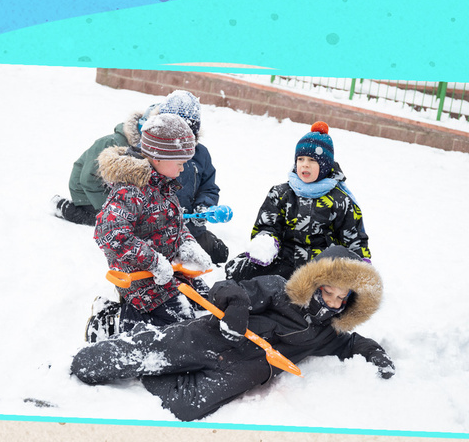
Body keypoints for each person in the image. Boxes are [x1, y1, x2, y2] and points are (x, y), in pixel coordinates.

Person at [70, 244, 393, 420]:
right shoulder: (280, 289)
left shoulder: (329, 333)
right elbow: (228, 288)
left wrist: (376, 355)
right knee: (91, 365)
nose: (333, 303)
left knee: (184, 408)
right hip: (213, 338)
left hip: (242, 371)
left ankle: (150, 356)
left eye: (342, 298)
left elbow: (353, 344)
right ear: (314, 283)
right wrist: (237, 308)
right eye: (328, 292)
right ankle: (123, 324)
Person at [81, 111, 214, 343]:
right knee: (179, 326)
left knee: (208, 308)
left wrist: (187, 244)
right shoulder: (131, 190)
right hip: (139, 279)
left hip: (169, 270)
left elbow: (173, 222)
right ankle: (112, 318)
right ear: (159, 157)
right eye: (180, 163)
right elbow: (110, 233)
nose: (183, 169)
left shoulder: (163, 183)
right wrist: (152, 261)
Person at [57, 92, 233, 264]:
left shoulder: (198, 154)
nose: (181, 164)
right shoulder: (145, 153)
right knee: (109, 220)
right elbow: (93, 184)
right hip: (141, 218)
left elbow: (208, 187)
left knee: (219, 253)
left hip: (179, 222)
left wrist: (204, 207)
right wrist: (116, 212)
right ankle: (72, 211)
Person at [224, 122, 372, 283]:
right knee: (240, 273)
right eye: (300, 159)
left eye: (312, 160)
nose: (305, 164)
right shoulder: (281, 193)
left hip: (319, 268)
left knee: (325, 294)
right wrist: (267, 242)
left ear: (325, 165)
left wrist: (360, 264)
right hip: (285, 259)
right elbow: (268, 225)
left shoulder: (340, 200)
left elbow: (354, 237)